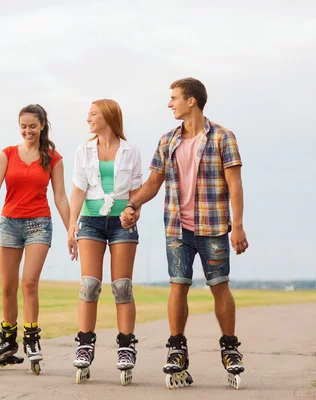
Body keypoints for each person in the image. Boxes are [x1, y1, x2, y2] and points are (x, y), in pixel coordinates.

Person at [121, 78, 248, 381]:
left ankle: (230, 348)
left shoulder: (222, 138)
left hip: (214, 225)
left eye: (174, 98)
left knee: (219, 286)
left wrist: (238, 226)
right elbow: (153, 183)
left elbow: (235, 185)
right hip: (178, 227)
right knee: (178, 285)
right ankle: (177, 348)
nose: (170, 103)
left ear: (191, 101)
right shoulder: (167, 140)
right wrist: (130, 204)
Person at [0, 104, 74, 371]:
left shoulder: (53, 157)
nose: (27, 131)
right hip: (10, 223)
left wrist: (71, 229)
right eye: (23, 126)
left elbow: (60, 196)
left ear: (42, 125)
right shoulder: (8, 154)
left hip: (39, 224)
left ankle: (32, 338)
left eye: (32, 126)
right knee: (7, 286)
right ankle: (8, 339)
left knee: (30, 282)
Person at [68, 99, 143, 378]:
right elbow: (78, 189)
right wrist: (71, 226)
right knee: (89, 285)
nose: (88, 119)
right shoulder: (83, 150)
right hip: (91, 220)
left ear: (109, 117)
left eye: (93, 114)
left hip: (122, 220)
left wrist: (132, 212)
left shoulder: (131, 150)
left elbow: (137, 190)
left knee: (122, 287)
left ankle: (126, 345)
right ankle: (85, 344)